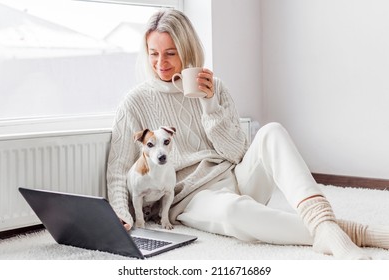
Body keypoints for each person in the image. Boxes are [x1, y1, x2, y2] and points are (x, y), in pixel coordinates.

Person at [106, 9, 389, 259]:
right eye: (153, 54)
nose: (160, 64)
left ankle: (323, 223)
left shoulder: (214, 87)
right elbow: (119, 168)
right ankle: (351, 232)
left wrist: (210, 105)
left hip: (236, 177)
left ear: (187, 49)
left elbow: (237, 153)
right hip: (189, 197)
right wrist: (121, 212)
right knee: (235, 213)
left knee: (271, 132)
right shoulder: (135, 101)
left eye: (170, 53)